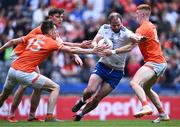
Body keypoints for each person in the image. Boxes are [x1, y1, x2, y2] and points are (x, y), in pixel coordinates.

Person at [0, 20, 105, 122]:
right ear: (49, 32)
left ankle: (30, 116)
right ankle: (49, 117)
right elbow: (70, 50)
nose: (57, 32)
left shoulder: (33, 36)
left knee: (4, 95)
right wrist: (91, 51)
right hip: (25, 73)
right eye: (55, 30)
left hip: (12, 70)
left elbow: (12, 41)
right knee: (55, 87)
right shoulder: (50, 42)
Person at [71, 12, 146, 121]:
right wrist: (97, 47)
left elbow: (133, 38)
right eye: (113, 25)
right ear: (109, 23)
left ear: (121, 22)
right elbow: (94, 41)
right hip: (103, 65)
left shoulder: (126, 32)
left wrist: (139, 38)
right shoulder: (104, 28)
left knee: (97, 98)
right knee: (90, 90)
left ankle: (80, 115)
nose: (116, 27)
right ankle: (82, 101)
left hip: (117, 71)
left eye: (118, 25)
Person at [102, 4, 170, 123]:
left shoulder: (142, 28)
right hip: (161, 62)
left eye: (137, 14)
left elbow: (131, 46)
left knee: (134, 83)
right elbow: (132, 44)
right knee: (147, 88)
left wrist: (113, 51)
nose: (135, 16)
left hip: (154, 62)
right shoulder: (150, 26)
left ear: (143, 15)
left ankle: (145, 106)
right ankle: (163, 114)